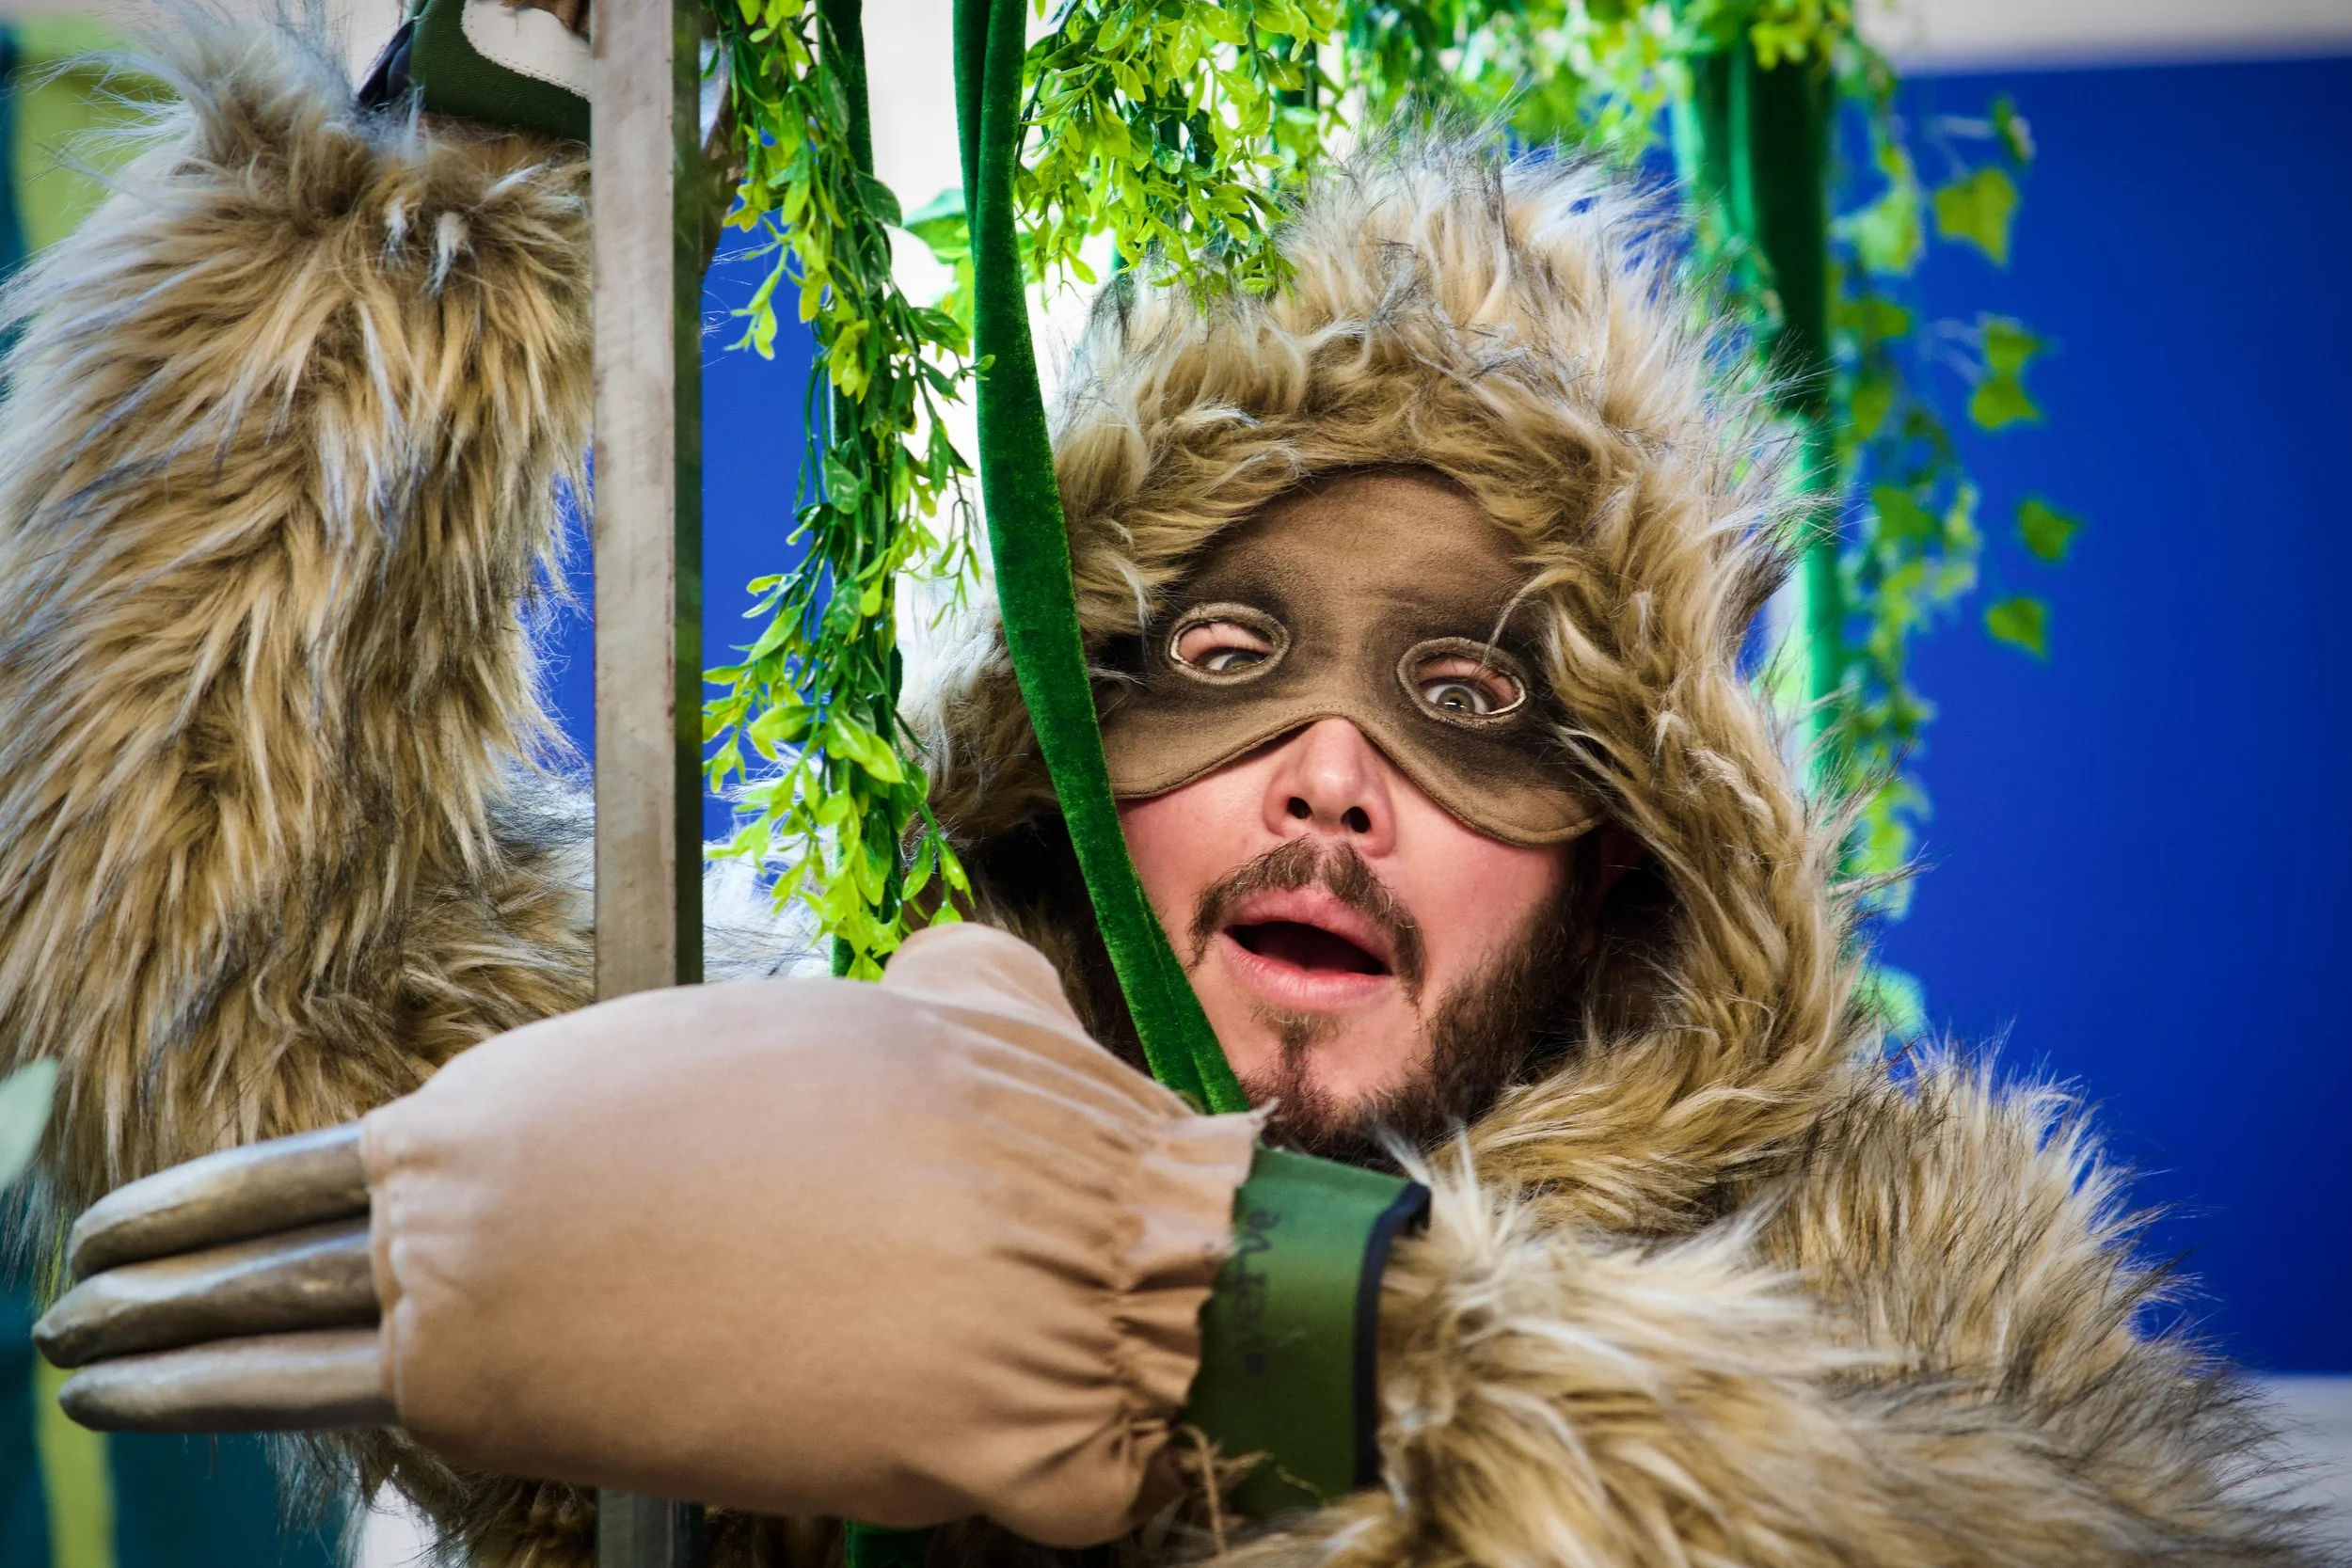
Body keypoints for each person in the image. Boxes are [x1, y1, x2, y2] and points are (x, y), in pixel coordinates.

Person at [0, 14, 2312, 1568]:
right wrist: (454, 180)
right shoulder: (792, 1128)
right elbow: (194, 955)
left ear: (1626, 846)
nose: (1326, 770)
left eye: (1475, 702)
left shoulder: (1882, 1252)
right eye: (1219, 659)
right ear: (1062, 768)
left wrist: (1253, 1323)